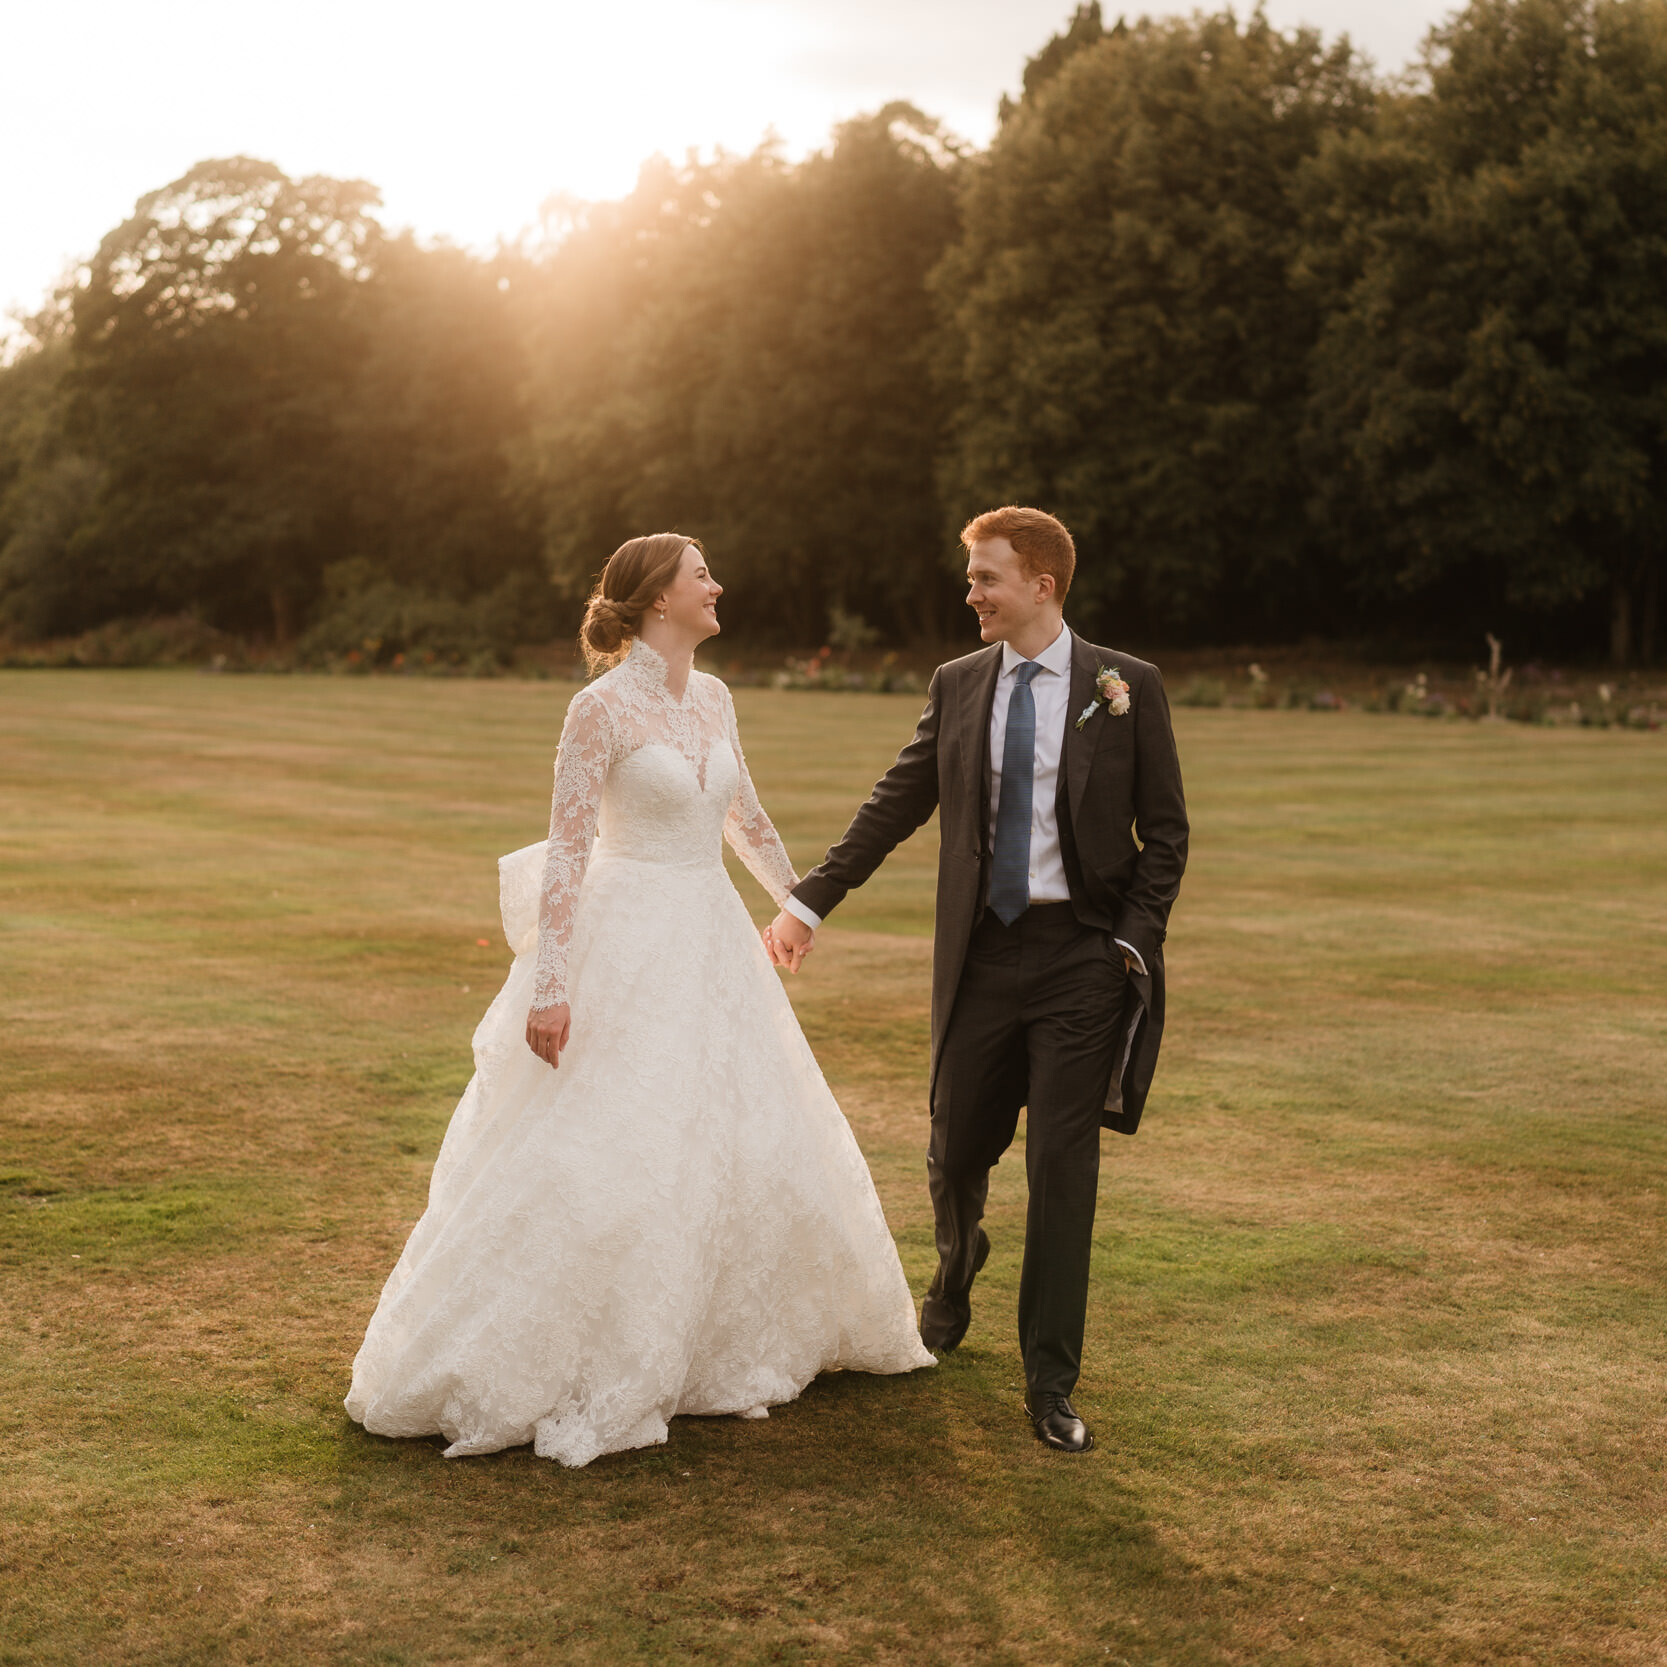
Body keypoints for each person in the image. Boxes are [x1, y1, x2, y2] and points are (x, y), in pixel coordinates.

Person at [346, 534, 933, 1468]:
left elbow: (744, 814)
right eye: (701, 574)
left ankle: (718, 1335)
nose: (717, 585)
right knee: (621, 1133)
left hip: (711, 936)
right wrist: (550, 987)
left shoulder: (715, 696)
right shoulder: (599, 708)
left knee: (731, 1126)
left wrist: (796, 902)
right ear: (659, 598)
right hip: (625, 943)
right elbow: (568, 850)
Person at [767, 507, 1188, 1454]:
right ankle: (956, 1269)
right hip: (981, 957)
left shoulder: (1127, 686)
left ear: (1041, 584)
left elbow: (1165, 833)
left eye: (985, 577)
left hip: (1082, 960)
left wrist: (1129, 943)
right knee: (954, 1152)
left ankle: (1050, 1381)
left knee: (1060, 1172)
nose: (970, 594)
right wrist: (809, 901)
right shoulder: (958, 684)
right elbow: (897, 799)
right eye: (971, 577)